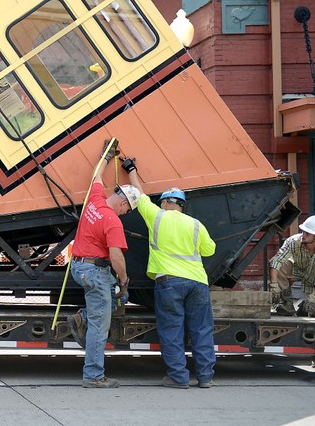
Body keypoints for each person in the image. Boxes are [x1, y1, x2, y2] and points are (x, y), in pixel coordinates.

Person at [122, 158, 216, 389]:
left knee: (172, 330)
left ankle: (178, 377)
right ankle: (205, 378)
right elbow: (210, 250)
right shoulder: (195, 224)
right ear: (182, 206)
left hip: (169, 283)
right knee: (202, 330)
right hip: (197, 283)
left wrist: (132, 170)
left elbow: (138, 193)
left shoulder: (156, 216)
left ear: (163, 203)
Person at [66, 141, 138, 389]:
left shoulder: (94, 200)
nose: (126, 213)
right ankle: (93, 376)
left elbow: (96, 176)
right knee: (100, 324)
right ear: (123, 203)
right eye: (128, 209)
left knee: (115, 300)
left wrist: (106, 156)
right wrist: (125, 280)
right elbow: (117, 258)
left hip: (79, 267)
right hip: (95, 271)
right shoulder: (113, 222)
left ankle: (81, 317)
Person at [269, 216, 315, 317]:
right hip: (298, 269)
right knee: (280, 266)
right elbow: (276, 261)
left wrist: (312, 297)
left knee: (313, 310)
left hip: (313, 276)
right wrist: (274, 285)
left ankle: (306, 306)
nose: (303, 235)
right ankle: (286, 304)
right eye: (303, 231)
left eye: (307, 233)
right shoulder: (293, 241)